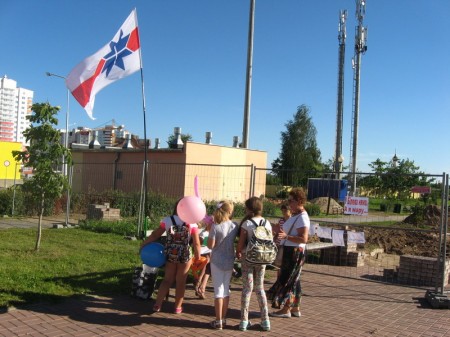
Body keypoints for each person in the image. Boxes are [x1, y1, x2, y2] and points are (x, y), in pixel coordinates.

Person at [140, 199, 201, 314]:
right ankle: (177, 307)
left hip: (171, 253)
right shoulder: (192, 223)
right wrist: (197, 256)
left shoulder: (168, 220)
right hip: (185, 255)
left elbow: (155, 235)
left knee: (167, 280)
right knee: (181, 282)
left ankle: (158, 304)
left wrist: (144, 244)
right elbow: (197, 243)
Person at [268, 187, 310, 318]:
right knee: (294, 280)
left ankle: (286, 309)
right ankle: (295, 308)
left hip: (295, 252)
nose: (289, 203)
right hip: (290, 251)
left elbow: (304, 238)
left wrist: (286, 237)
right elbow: (283, 229)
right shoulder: (296, 215)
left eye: (291, 200)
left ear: (298, 201)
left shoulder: (302, 217)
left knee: (288, 280)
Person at [235, 197, 271, 332]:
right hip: (262, 258)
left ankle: (244, 321)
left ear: (249, 208)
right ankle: (265, 320)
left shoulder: (247, 224)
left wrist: (238, 252)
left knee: (247, 288)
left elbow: (241, 242)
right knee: (260, 288)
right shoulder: (266, 222)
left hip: (248, 258)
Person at [207, 201, 238, 330]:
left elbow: (210, 245)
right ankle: (224, 318)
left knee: (218, 291)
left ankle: (218, 320)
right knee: (226, 290)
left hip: (217, 261)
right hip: (230, 260)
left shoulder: (215, 226)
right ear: (230, 212)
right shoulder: (234, 226)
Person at [194, 215, 212, 299]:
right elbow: (199, 244)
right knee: (206, 264)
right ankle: (199, 282)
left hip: (208, 253)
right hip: (202, 254)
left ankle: (201, 286)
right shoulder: (204, 234)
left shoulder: (212, 233)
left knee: (208, 269)